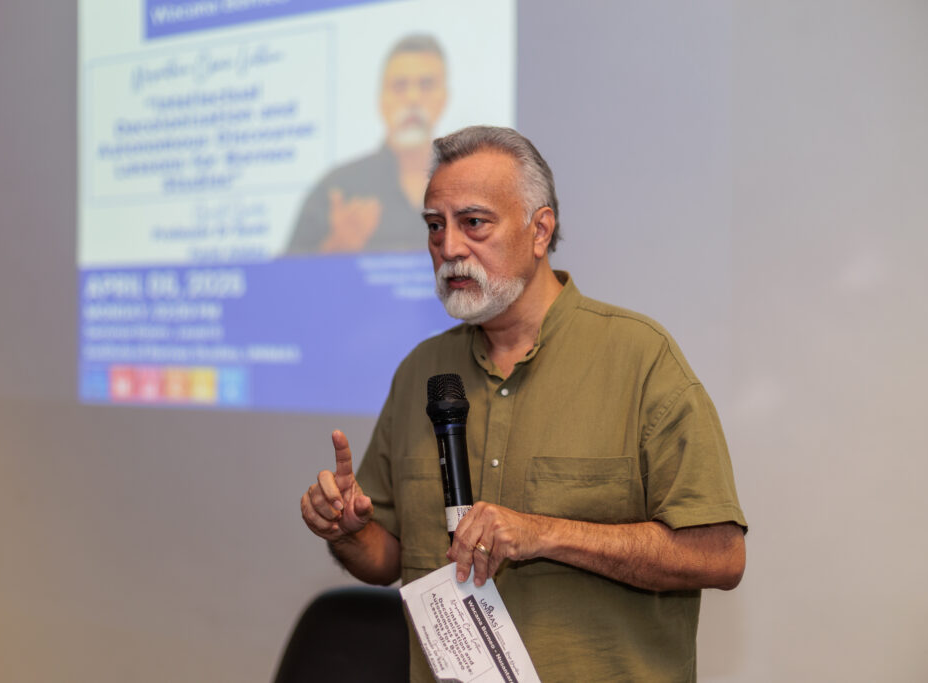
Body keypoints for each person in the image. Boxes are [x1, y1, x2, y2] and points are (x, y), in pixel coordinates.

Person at [299, 126, 747, 681]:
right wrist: (347, 531)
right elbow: (388, 558)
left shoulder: (640, 359)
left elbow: (720, 555)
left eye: (473, 222)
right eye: (435, 226)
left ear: (540, 230)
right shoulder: (421, 372)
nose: (449, 247)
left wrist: (545, 533)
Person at [285, 34, 447, 254]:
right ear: (381, 100)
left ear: (444, 98)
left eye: (426, 85)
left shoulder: (468, 185)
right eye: (399, 86)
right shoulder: (338, 188)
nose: (412, 98)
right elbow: (286, 272)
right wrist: (337, 245)